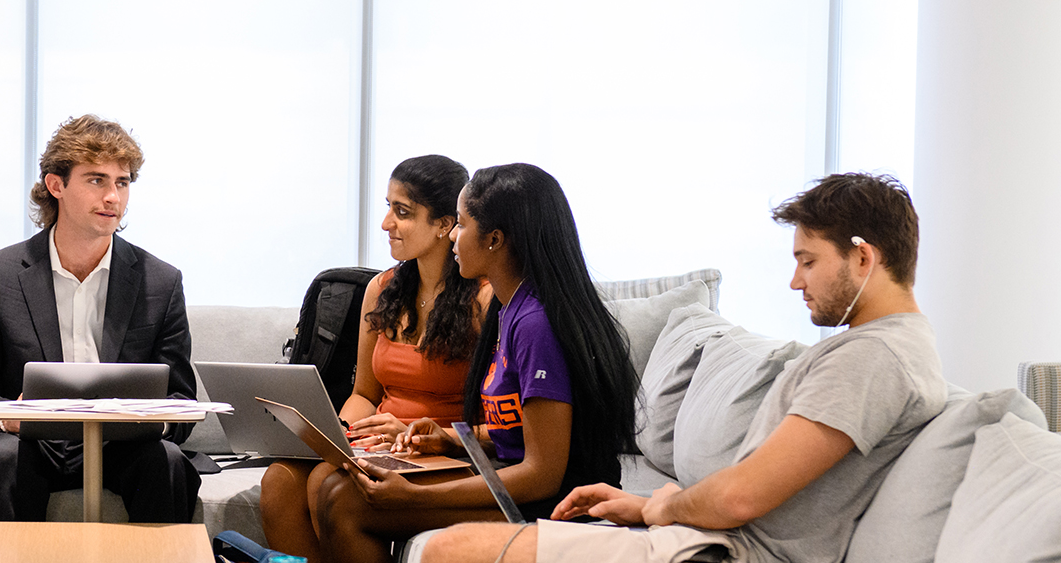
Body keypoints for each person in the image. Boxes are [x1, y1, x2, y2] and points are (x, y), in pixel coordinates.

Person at [423, 172, 945, 563]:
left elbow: (741, 495)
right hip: (713, 535)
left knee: (450, 551)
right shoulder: (887, 347)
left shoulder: (872, 358)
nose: (793, 281)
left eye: (808, 261)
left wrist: (656, 509)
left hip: (728, 552)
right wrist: (656, 499)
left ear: (863, 258)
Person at [312, 163, 640, 563]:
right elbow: (520, 427)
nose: (451, 235)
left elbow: (543, 472)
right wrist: (452, 437)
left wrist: (418, 495)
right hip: (517, 482)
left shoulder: (536, 323)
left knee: (347, 505)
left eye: (462, 224)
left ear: (495, 240)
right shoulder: (509, 308)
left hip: (558, 505)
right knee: (336, 490)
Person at [0, 114, 201, 523]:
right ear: (56, 185)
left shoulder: (159, 282)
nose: (113, 197)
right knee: (6, 459)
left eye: (122, 182)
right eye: (97, 180)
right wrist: (9, 415)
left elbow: (182, 399)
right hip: (28, 443)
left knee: (165, 461)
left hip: (121, 446)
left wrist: (149, 422)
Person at [261, 155, 490, 558]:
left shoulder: (483, 299)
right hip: (378, 442)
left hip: (437, 448)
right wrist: (340, 435)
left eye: (402, 212)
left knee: (323, 484)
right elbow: (365, 394)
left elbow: (491, 417)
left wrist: (409, 433)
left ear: (444, 225)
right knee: (278, 482)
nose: (386, 224)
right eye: (388, 207)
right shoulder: (382, 289)